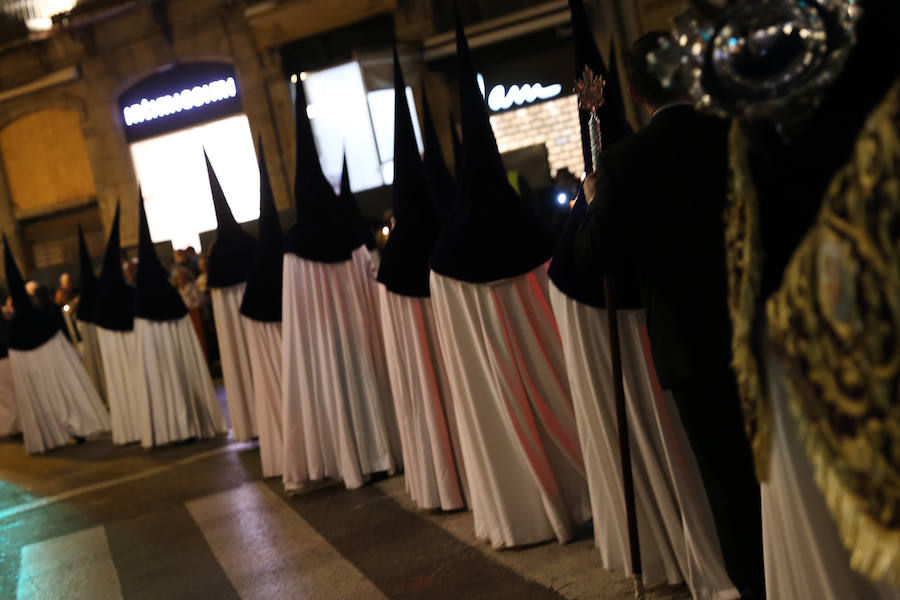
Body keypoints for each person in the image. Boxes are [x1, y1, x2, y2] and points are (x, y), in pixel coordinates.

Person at [575, 31, 764, 598]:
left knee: (729, 487)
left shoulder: (624, 163)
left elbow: (595, 256)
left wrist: (591, 203)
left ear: (633, 92)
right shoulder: (734, 131)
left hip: (691, 345)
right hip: (758, 327)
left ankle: (758, 589)